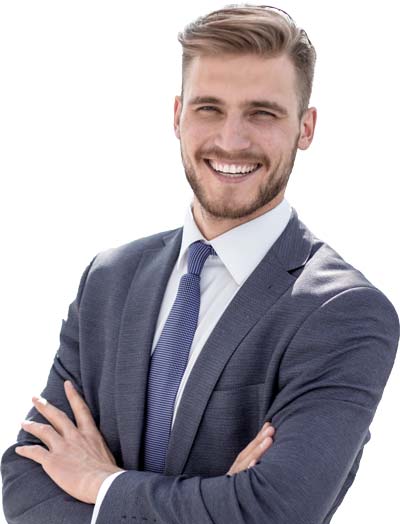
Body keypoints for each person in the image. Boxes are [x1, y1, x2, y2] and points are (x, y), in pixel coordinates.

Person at [2, 4, 399, 524]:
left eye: (263, 112)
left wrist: (102, 484)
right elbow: (25, 483)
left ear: (306, 127)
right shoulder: (109, 280)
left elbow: (274, 512)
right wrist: (214, 500)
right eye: (209, 108)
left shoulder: (345, 313)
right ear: (177, 115)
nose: (231, 140)